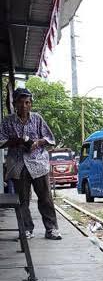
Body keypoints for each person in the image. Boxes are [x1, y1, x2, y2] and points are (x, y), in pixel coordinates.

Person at [0, 88, 62, 240]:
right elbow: (0, 141)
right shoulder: (7, 121)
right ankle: (26, 229)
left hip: (38, 164)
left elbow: (50, 138)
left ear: (31, 104)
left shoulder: (37, 119)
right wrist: (15, 141)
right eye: (20, 102)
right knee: (22, 200)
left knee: (45, 198)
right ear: (14, 104)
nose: (24, 106)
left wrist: (39, 142)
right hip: (18, 165)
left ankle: (51, 229)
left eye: (27, 102)